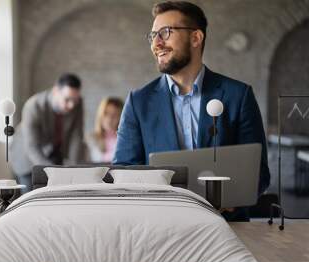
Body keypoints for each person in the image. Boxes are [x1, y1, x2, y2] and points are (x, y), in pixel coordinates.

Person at [113, 1, 270, 221]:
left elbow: (259, 174)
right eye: (152, 35)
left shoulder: (239, 95)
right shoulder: (138, 102)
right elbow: (122, 173)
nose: (156, 43)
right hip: (160, 227)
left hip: (227, 229)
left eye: (165, 32)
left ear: (196, 38)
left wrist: (232, 200)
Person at [9, 73, 85, 192]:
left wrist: (73, 169)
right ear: (55, 91)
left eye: (74, 100)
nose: (71, 105)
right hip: (26, 158)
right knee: (31, 200)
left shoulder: (77, 103)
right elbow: (32, 147)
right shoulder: (33, 106)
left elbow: (77, 137)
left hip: (54, 154)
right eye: (67, 100)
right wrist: (53, 173)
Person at [86, 97, 124, 163]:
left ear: (121, 117)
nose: (109, 119)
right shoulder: (90, 139)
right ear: (100, 114)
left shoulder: (124, 140)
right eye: (106, 113)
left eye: (115, 115)